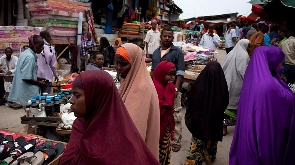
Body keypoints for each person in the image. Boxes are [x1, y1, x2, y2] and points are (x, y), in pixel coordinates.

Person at [59, 70, 160, 165]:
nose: (71, 100)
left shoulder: (119, 140)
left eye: (77, 95)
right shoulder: (81, 124)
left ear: (96, 98)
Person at [229, 46, 295, 165]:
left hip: (248, 132)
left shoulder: (252, 78)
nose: (281, 67)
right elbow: (288, 101)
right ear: (271, 61)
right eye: (280, 63)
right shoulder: (269, 85)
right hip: (263, 139)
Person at [114, 43, 160, 159]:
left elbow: (132, 133)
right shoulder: (131, 81)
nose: (118, 68)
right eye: (117, 63)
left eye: (123, 64)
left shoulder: (141, 89)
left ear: (135, 64)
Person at [185, 61, 229, 165]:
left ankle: (195, 160)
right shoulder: (222, 86)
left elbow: (191, 101)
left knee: (198, 142)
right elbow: (225, 101)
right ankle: (210, 156)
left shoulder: (199, 85)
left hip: (200, 123)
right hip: (214, 122)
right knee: (212, 139)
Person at [151, 26, 185, 152]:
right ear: (161, 37)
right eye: (164, 36)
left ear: (172, 37)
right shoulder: (155, 52)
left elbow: (180, 72)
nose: (167, 38)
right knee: (160, 113)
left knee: (175, 114)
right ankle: (160, 136)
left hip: (172, 89)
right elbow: (154, 71)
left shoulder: (177, 52)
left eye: (169, 36)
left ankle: (175, 140)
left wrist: (176, 89)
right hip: (159, 90)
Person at [221, 39, 252, 135]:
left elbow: (223, 66)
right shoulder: (244, 56)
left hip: (227, 81)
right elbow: (244, 72)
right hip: (236, 84)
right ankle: (233, 128)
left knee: (225, 107)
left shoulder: (231, 53)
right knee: (233, 107)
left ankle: (223, 128)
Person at [8, 35, 47, 108]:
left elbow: (24, 72)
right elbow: (26, 77)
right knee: (32, 113)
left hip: (22, 91)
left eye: (43, 46)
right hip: (28, 93)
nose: (42, 48)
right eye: (40, 46)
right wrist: (39, 83)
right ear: (33, 45)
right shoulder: (30, 57)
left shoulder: (24, 53)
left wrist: (37, 78)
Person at [153, 61, 176, 165]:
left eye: (173, 74)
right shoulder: (156, 88)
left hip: (165, 124)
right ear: (161, 73)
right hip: (157, 125)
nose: (172, 77)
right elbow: (158, 109)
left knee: (165, 149)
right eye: (169, 74)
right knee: (157, 151)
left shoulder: (168, 85)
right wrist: (170, 98)